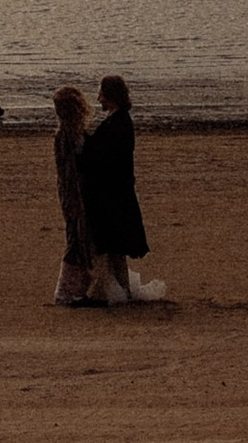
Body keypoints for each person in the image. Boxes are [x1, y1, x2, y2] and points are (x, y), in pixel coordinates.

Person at [78, 73, 164, 304]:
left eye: (102, 94)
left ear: (110, 95)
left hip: (112, 194)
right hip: (117, 192)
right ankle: (121, 291)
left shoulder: (118, 123)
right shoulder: (119, 120)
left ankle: (109, 292)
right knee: (115, 248)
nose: (99, 99)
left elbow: (100, 156)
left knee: (108, 245)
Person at [50, 85, 94, 304]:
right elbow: (68, 172)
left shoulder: (73, 133)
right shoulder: (65, 136)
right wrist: (73, 200)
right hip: (73, 194)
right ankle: (66, 291)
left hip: (77, 192)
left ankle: (76, 289)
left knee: (81, 239)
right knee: (74, 239)